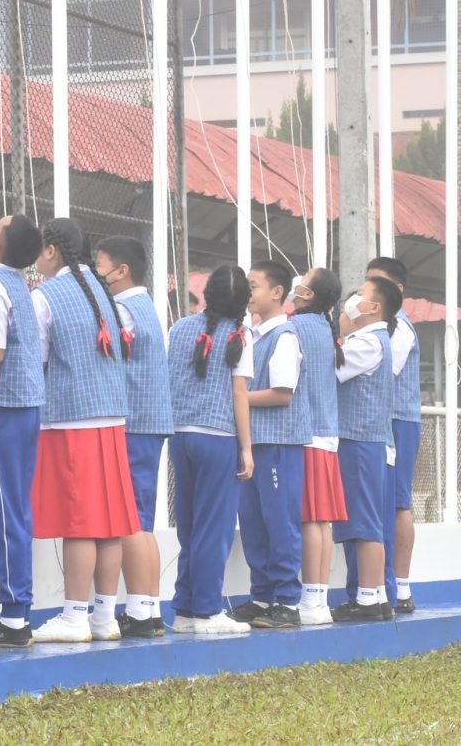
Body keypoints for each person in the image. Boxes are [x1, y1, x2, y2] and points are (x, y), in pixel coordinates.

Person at [28, 218, 140, 644]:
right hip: (111, 418)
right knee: (108, 523)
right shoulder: (102, 289)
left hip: (71, 420)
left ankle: (74, 617)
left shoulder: (46, 295)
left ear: (51, 251)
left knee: (78, 523)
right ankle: (104, 616)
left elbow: (36, 358)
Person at [167, 265, 256, 636]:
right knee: (214, 528)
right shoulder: (240, 335)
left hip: (180, 436)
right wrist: (246, 448)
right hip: (218, 437)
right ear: (244, 301)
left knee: (188, 527)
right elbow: (239, 394)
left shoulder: (179, 328)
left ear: (207, 294)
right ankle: (207, 610)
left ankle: (185, 610)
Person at [0, 213, 45, 649]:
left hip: (3, 405)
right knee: (14, 506)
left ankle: (15, 614)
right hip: (25, 404)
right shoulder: (18, 284)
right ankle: (17, 607)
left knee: (0, 509)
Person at [93, 235, 172, 639]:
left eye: (99, 265)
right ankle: (149, 608)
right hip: (149, 422)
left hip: (134, 423)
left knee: (131, 520)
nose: (95, 273)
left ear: (121, 271)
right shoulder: (145, 306)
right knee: (141, 517)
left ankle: (140, 613)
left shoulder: (122, 309)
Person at [229, 260, 308, 630]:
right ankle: (262, 596)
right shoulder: (254, 335)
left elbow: (282, 393)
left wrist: (238, 398)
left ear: (278, 293)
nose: (248, 293)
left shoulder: (285, 336)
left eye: (254, 286)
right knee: (254, 523)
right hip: (255, 442)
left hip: (278, 443)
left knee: (280, 522)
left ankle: (288, 601)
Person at [333, 276, 402, 622]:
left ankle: (367, 599)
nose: (352, 299)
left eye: (360, 294)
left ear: (374, 307)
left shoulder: (367, 343)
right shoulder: (375, 340)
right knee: (365, 520)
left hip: (359, 439)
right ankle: (375, 596)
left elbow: (332, 369)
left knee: (364, 523)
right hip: (365, 439)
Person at [289, 267, 347, 626]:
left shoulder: (295, 327)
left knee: (311, 518)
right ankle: (318, 598)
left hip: (306, 432)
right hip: (326, 434)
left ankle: (310, 601)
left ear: (308, 294)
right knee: (321, 520)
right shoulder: (326, 328)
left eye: (301, 281)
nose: (295, 284)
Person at [367, 256, 421, 614]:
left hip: (399, 419)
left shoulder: (399, 328)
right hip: (383, 419)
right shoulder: (379, 328)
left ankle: (401, 587)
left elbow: (384, 372)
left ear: (397, 291)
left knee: (399, 500)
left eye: (377, 283)